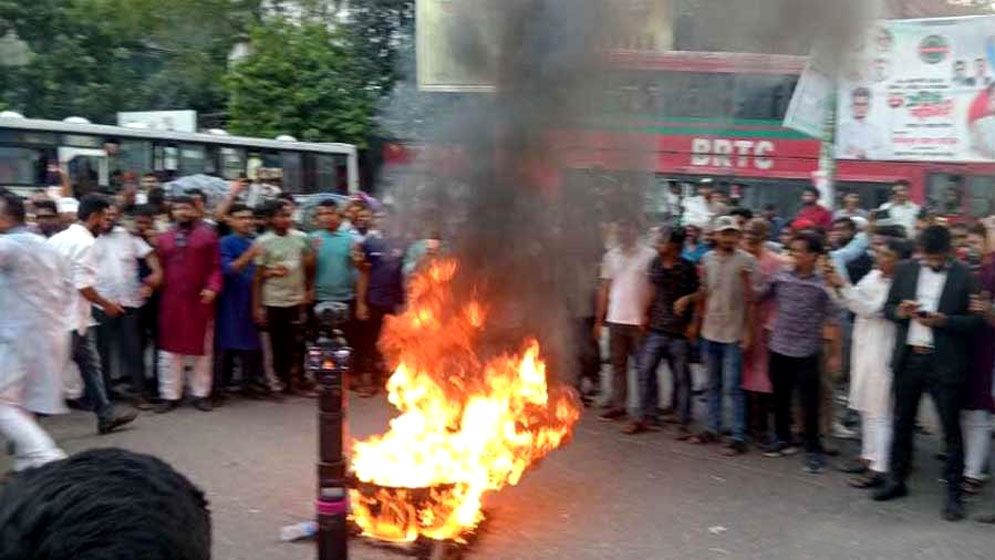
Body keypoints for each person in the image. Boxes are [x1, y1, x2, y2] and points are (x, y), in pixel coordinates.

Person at [874, 226, 980, 522]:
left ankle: (954, 494)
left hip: (944, 362)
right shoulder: (906, 269)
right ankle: (897, 480)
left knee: (950, 431)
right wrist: (902, 312)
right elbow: (888, 308)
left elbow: (975, 323)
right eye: (927, 257)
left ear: (949, 252)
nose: (931, 263)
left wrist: (945, 321)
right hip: (909, 358)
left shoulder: (965, 275)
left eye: (937, 258)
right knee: (902, 422)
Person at [47, 194, 137, 434]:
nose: (106, 223)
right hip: (69, 319)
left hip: (62, 315)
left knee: (90, 364)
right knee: (49, 372)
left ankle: (105, 413)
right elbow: (83, 285)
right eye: (105, 217)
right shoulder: (86, 243)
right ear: (94, 216)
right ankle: (19, 425)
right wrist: (105, 304)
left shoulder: (58, 238)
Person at [826, 237, 911, 488]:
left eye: (886, 255)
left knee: (880, 412)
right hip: (864, 348)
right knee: (864, 406)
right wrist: (836, 286)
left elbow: (873, 309)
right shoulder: (873, 276)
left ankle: (880, 468)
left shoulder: (900, 284)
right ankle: (867, 457)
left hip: (883, 351)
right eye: (879, 253)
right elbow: (850, 301)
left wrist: (844, 286)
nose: (879, 258)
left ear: (900, 261)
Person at [0, 190, 70, 470]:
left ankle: (48, 459)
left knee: (4, 404)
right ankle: (27, 466)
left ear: (4, 218)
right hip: (49, 333)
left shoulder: (9, 246)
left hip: (20, 337)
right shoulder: (46, 245)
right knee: (21, 403)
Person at [760, 232, 837, 473]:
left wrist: (835, 353)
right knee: (780, 398)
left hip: (807, 351)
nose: (793, 255)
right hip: (780, 347)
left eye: (799, 251)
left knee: (809, 403)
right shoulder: (780, 277)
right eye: (791, 251)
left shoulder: (822, 286)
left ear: (814, 256)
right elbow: (759, 295)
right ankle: (783, 438)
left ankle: (813, 448)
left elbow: (834, 319)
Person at [688, 216, 756, 456]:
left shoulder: (746, 262)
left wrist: (748, 332)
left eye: (733, 234)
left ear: (738, 237)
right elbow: (704, 292)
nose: (728, 238)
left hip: (733, 334)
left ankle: (738, 435)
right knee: (712, 385)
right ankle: (712, 428)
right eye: (724, 233)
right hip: (710, 330)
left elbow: (751, 301)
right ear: (715, 236)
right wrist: (695, 323)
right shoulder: (707, 259)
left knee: (732, 387)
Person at [623, 227, 699, 436]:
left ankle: (683, 423)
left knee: (681, 378)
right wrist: (643, 314)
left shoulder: (687, 267)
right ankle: (646, 417)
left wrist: (692, 319)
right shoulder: (655, 263)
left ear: (674, 245)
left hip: (679, 333)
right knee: (644, 370)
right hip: (656, 329)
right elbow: (651, 290)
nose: (658, 243)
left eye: (662, 240)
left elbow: (701, 294)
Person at [155, 195, 222, 413]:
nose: (182, 212)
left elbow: (216, 267)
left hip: (199, 302)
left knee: (203, 352)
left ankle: (200, 394)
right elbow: (158, 269)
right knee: (169, 352)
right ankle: (169, 395)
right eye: (177, 208)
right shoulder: (163, 238)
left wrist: (213, 287)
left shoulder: (208, 236)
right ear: (171, 212)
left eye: (186, 208)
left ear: (195, 210)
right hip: (172, 303)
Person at [92, 204, 161, 407]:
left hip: (130, 302)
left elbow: (150, 256)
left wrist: (155, 274)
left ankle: (139, 393)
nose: (109, 218)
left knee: (133, 348)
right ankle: (105, 395)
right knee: (102, 350)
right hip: (102, 302)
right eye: (105, 214)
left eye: (112, 215)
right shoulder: (88, 238)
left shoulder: (128, 236)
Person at [595, 221, 656, 422]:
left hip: (639, 322)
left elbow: (654, 288)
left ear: (636, 232)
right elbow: (604, 289)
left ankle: (645, 412)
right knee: (617, 366)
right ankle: (619, 406)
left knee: (643, 367)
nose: (623, 234)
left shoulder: (649, 256)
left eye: (627, 230)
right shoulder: (611, 256)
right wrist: (599, 320)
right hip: (615, 319)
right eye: (620, 231)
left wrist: (647, 314)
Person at [254, 200, 314, 396]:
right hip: (272, 300)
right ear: (271, 219)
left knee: (296, 343)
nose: (286, 219)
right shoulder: (263, 242)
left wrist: (309, 290)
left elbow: (309, 266)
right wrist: (258, 307)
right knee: (276, 345)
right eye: (281, 216)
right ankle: (277, 383)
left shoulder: (301, 238)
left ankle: (294, 382)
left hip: (296, 300)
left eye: (288, 215)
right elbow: (257, 277)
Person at [214, 203, 268, 401]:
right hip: (230, 299)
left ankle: (249, 384)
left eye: (249, 218)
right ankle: (218, 387)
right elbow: (228, 270)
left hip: (251, 298)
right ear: (230, 220)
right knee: (225, 344)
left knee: (251, 343)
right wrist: (249, 255)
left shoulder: (254, 241)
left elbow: (259, 272)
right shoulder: (225, 243)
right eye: (241, 217)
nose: (247, 222)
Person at [354, 210, 406, 397]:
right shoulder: (369, 243)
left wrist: (404, 302)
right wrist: (361, 303)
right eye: (380, 218)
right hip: (373, 301)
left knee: (392, 342)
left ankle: (387, 378)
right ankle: (367, 380)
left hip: (393, 303)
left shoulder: (402, 244)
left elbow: (403, 274)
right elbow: (363, 274)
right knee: (369, 342)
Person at [741, 219, 783, 445]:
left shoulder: (775, 262)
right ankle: (746, 424)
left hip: (764, 325)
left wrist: (771, 325)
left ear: (764, 236)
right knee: (743, 375)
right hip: (742, 323)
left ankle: (763, 428)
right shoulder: (740, 257)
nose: (750, 237)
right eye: (747, 233)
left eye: (755, 234)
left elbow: (774, 298)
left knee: (764, 377)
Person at [960, 223, 994, 496]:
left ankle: (974, 471)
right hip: (973, 346)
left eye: (974, 242)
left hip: (988, 350)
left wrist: (986, 310)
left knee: (979, 411)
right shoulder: (978, 270)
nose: (969, 247)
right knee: (970, 410)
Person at [311, 199, 361, 344]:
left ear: (339, 215)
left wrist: (360, 301)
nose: (326, 217)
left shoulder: (350, 240)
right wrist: (313, 253)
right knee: (319, 342)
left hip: (345, 298)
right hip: (319, 299)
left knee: (346, 343)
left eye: (330, 213)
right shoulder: (312, 238)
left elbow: (359, 269)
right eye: (321, 214)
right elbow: (306, 269)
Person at [838, 86, 887, 160]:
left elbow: (885, 153)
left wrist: (865, 153)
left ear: (869, 106)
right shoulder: (842, 130)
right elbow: (835, 153)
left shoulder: (876, 130)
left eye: (863, 104)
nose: (860, 108)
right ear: (851, 106)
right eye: (857, 104)